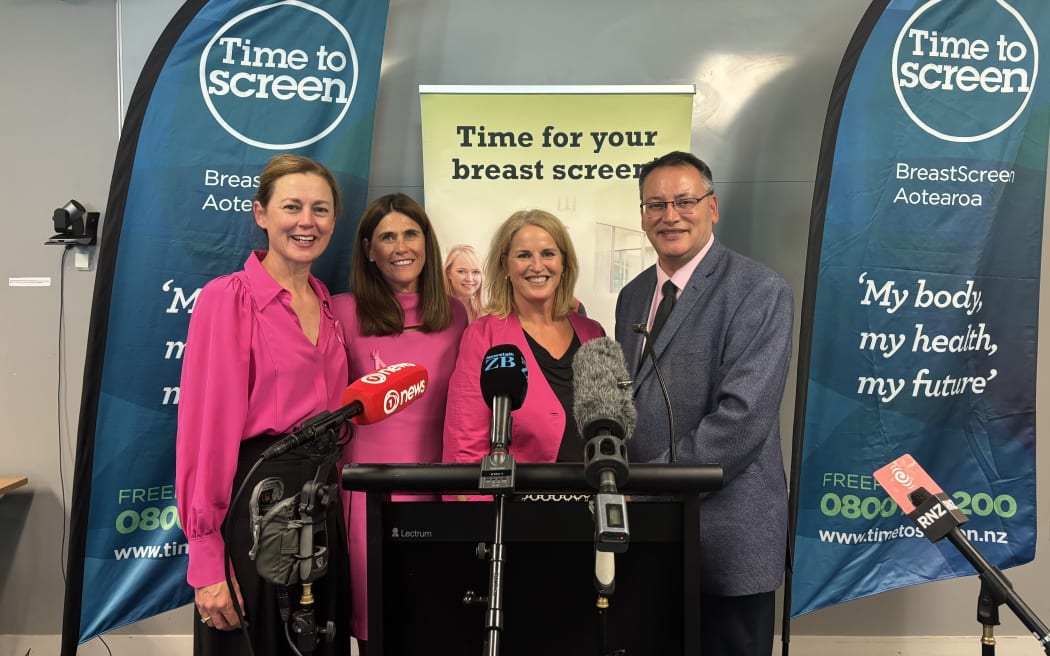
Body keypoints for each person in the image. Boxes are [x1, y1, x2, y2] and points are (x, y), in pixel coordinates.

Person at [614, 151, 793, 656]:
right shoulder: (632, 296)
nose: (670, 215)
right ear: (643, 215)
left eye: (685, 201)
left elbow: (741, 422)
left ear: (712, 207)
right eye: (656, 204)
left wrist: (644, 488)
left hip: (728, 533)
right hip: (650, 537)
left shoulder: (759, 290)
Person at [175, 154, 352, 656]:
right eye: (291, 206)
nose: (306, 221)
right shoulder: (228, 300)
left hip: (321, 508)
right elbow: (204, 436)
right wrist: (207, 560)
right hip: (258, 505)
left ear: (334, 221)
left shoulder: (326, 302)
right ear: (260, 214)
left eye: (320, 209)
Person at [330, 193, 467, 653]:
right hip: (369, 499)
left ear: (427, 243)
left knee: (436, 623)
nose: (401, 245)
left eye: (411, 233)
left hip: (442, 494)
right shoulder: (342, 313)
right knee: (379, 632)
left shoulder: (457, 315)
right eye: (387, 236)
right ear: (369, 249)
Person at [443, 209, 605, 468]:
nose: (537, 266)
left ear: (564, 263)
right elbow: (464, 448)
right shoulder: (483, 336)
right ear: (505, 265)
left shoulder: (592, 333)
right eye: (524, 255)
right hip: (515, 505)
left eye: (548, 254)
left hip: (589, 502)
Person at [443, 243, 484, 322]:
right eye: (461, 271)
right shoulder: (437, 309)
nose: (469, 279)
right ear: (448, 273)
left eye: (476, 272)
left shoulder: (485, 310)